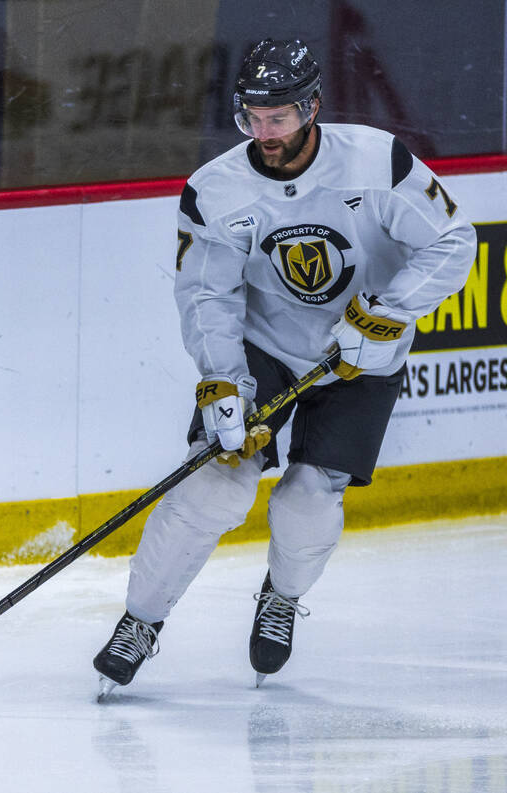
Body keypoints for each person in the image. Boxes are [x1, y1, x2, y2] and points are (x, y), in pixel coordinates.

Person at [93, 39, 476, 694]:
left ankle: (282, 593)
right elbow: (207, 295)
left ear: (312, 107)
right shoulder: (214, 191)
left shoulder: (377, 161)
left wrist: (386, 311)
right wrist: (220, 379)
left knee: (305, 501)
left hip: (364, 357)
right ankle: (141, 619)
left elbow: (451, 242)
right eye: (251, 117)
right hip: (263, 345)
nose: (264, 132)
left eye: (278, 117)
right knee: (216, 484)